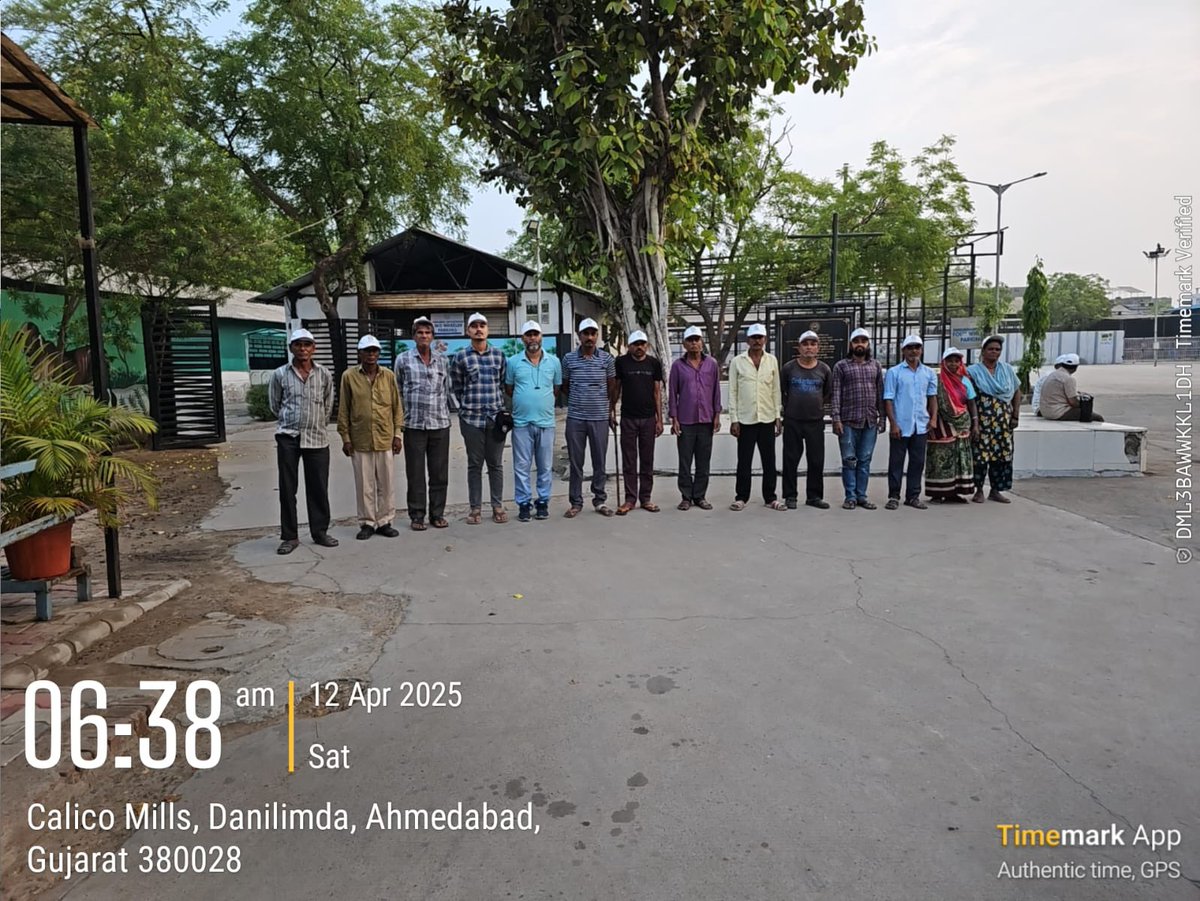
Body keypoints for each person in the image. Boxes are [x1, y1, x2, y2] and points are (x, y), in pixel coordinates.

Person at [269, 328, 338, 554]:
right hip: (288, 437)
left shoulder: (324, 374)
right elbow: (275, 405)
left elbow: (328, 405)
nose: (303, 349)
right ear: (291, 348)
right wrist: (290, 422)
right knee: (288, 489)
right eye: (298, 345)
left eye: (307, 344)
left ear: (314, 348)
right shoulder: (280, 374)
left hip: (317, 437)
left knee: (318, 487)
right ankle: (290, 536)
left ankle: (320, 532)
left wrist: (317, 422)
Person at [338, 335, 404, 539]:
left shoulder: (389, 376)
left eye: (374, 351)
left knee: (386, 483)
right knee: (364, 485)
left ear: (379, 354)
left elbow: (396, 407)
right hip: (360, 439)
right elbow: (344, 409)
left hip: (385, 437)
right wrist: (346, 438)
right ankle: (367, 522)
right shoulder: (349, 376)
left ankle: (384, 521)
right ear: (360, 353)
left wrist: (397, 434)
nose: (371, 355)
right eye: (367, 351)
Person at [450, 312, 509, 524]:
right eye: (474, 326)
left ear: (487, 330)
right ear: (468, 331)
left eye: (482, 325)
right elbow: (456, 387)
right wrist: (465, 408)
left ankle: (497, 506)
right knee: (474, 464)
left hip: (494, 420)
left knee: (495, 464)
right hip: (471, 420)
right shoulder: (461, 357)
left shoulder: (499, 356)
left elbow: (502, 384)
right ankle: (475, 508)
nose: (478, 329)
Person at [394, 316, 452, 530]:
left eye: (428, 333)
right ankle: (417, 515)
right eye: (420, 332)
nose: (424, 336)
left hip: (440, 424)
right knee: (416, 473)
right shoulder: (403, 359)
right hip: (414, 425)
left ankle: (437, 514)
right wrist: (399, 423)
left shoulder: (442, 360)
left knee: (439, 473)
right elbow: (398, 391)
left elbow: (447, 389)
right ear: (413, 336)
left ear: (433, 336)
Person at [505, 320, 562, 522]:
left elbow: (556, 389)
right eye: (528, 335)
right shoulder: (513, 362)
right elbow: (509, 389)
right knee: (521, 466)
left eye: (535, 334)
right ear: (522, 339)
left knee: (545, 466)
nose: (532, 338)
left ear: (541, 337)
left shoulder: (554, 362)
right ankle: (523, 503)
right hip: (521, 423)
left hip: (546, 423)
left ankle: (543, 502)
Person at [561, 318, 618, 517]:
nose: (590, 337)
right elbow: (565, 386)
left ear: (597, 336)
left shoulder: (606, 359)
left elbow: (612, 388)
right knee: (576, 462)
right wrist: (581, 399)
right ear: (579, 335)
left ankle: (599, 500)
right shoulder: (568, 359)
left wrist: (609, 412)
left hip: (600, 418)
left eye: (593, 333)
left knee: (599, 462)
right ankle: (576, 502)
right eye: (586, 333)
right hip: (576, 418)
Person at [729, 323, 783, 511]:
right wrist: (734, 419)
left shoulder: (772, 361)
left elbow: (776, 389)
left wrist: (777, 415)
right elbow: (733, 391)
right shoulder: (737, 361)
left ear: (765, 340)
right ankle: (741, 497)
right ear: (747, 340)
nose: (757, 341)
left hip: (767, 418)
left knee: (769, 460)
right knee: (744, 460)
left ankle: (770, 497)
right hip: (745, 419)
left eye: (760, 337)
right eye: (754, 337)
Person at [883, 335, 939, 510]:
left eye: (917, 347)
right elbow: (888, 399)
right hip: (901, 424)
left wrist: (934, 418)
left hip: (920, 425)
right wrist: (892, 423)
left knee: (917, 462)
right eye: (910, 347)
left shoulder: (928, 373)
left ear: (921, 350)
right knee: (896, 462)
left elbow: (932, 398)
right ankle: (893, 496)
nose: (914, 351)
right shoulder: (894, 372)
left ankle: (913, 496)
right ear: (903, 351)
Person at [668, 326, 722, 511]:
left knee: (703, 460)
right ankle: (685, 497)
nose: (694, 343)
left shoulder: (711, 364)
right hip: (685, 420)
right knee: (684, 460)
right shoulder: (677, 366)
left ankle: (700, 496)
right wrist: (673, 418)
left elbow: (716, 391)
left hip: (706, 419)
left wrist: (717, 414)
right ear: (684, 344)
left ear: (702, 341)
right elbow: (672, 393)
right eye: (690, 340)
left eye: (697, 339)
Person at [831, 327, 885, 510]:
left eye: (863, 341)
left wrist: (882, 418)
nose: (860, 344)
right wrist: (836, 419)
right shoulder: (841, 366)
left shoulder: (875, 366)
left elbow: (880, 393)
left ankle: (862, 496)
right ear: (851, 344)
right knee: (849, 459)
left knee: (865, 459)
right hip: (847, 421)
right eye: (856, 341)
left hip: (869, 420)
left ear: (868, 344)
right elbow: (836, 394)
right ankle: (850, 496)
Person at [966, 335, 1022, 504]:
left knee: (1002, 456)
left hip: (1003, 422)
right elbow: (969, 397)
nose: (994, 352)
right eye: (991, 349)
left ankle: (996, 490)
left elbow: (1016, 392)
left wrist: (1015, 415)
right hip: (982, 421)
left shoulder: (1007, 370)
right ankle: (979, 490)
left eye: (997, 349)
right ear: (983, 351)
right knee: (980, 457)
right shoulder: (973, 372)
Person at [613, 330, 664, 514]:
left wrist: (660, 419)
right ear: (629, 346)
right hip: (628, 418)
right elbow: (616, 388)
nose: (639, 347)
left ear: (647, 346)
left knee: (647, 460)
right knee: (629, 460)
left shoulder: (654, 363)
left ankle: (646, 498)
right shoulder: (621, 362)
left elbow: (657, 392)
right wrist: (612, 412)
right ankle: (629, 499)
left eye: (642, 344)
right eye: (636, 344)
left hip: (649, 418)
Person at [779, 330, 831, 510]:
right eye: (805, 344)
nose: (809, 347)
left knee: (816, 460)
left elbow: (826, 393)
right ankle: (790, 495)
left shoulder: (824, 369)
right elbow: (783, 391)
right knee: (790, 459)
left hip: (815, 421)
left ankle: (814, 496)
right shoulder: (788, 368)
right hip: (793, 420)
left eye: (813, 344)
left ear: (818, 348)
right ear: (799, 347)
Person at [925, 348, 978, 503]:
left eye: (956, 361)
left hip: (962, 425)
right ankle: (937, 493)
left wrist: (975, 424)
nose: (953, 364)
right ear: (944, 362)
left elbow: (971, 403)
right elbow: (932, 400)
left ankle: (954, 493)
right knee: (939, 459)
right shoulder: (937, 380)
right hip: (941, 426)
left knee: (958, 459)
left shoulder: (965, 381)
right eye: (950, 361)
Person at [1037, 353, 1105, 423]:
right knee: (1097, 417)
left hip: (1045, 412)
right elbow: (1073, 402)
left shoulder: (1053, 374)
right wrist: (1084, 405)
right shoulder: (1069, 379)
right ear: (1075, 368)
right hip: (1058, 412)